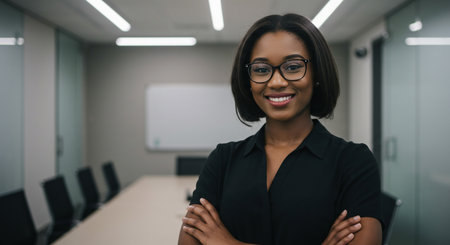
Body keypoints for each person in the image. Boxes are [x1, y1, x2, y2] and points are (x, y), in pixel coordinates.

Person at [178, 13, 383, 245]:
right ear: (249, 79)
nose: (276, 82)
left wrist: (226, 243)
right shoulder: (223, 160)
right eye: (262, 69)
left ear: (316, 73)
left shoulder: (353, 161)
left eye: (293, 66)